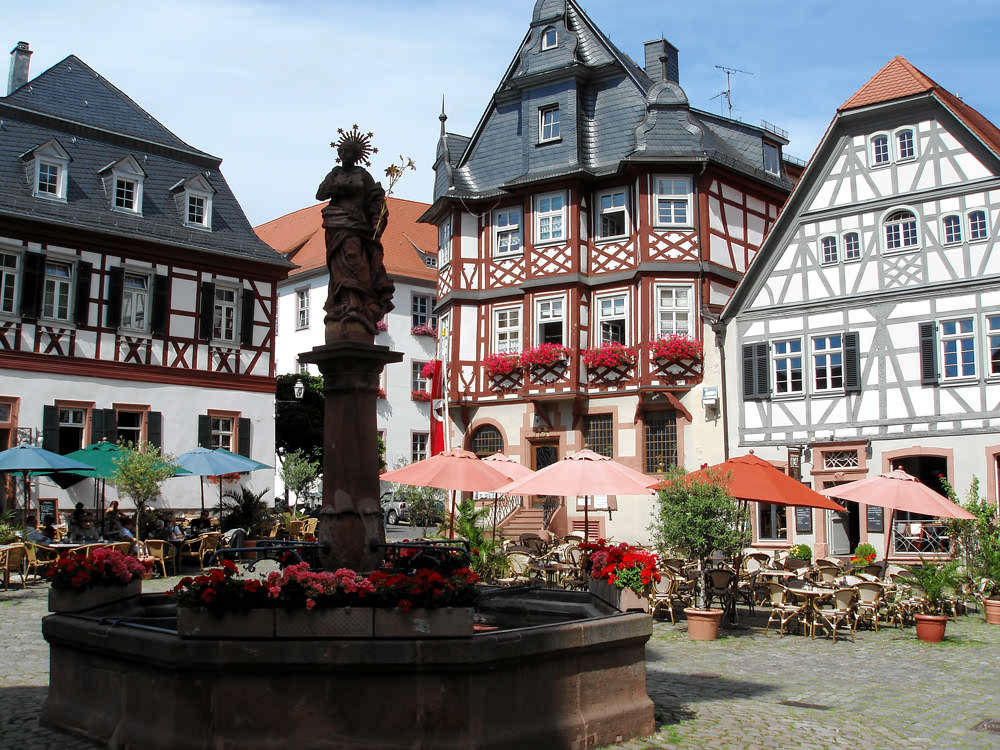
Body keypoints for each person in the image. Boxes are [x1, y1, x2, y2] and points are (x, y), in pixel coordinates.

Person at [315, 125, 394, 342]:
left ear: (357, 155)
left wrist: (378, 219)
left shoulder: (363, 175)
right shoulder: (335, 174)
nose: (346, 155)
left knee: (355, 260)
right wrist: (340, 187)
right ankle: (344, 304)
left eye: (350, 152)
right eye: (343, 151)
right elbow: (320, 193)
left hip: (357, 226)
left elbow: (375, 201)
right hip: (335, 225)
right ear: (339, 153)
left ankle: (358, 304)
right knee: (337, 268)